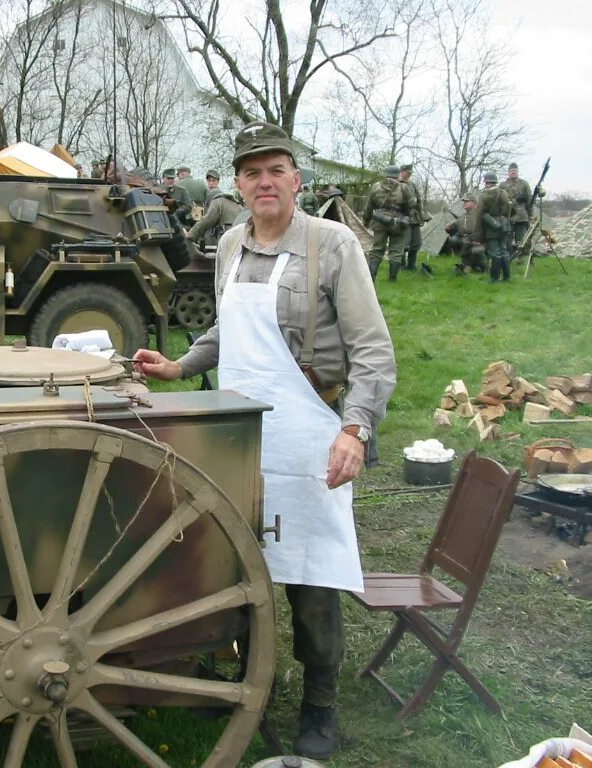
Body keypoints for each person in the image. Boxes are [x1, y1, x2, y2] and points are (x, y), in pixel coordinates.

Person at [132, 121, 395, 760]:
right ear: (240, 185)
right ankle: (250, 672)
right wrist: (179, 367)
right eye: (252, 173)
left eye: (275, 170)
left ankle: (320, 704)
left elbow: (373, 349)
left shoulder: (333, 247)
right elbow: (228, 329)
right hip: (240, 432)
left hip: (310, 429)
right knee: (237, 555)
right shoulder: (229, 244)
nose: (264, 182)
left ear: (295, 180)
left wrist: (355, 430)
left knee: (310, 572)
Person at [362, 165, 414, 281]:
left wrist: (366, 220)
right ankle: (392, 278)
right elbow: (411, 207)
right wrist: (407, 219)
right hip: (398, 222)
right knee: (396, 250)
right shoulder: (404, 188)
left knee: (377, 250)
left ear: (386, 173)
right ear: (398, 174)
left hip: (379, 221)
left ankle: (372, 277)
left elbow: (368, 207)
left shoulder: (376, 187)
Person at [473, 171, 513, 282]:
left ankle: (494, 279)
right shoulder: (504, 192)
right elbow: (512, 209)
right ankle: (506, 278)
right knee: (504, 251)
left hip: (492, 228)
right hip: (504, 225)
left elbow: (479, 216)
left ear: (487, 182)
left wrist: (477, 237)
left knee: (495, 253)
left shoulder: (485, 195)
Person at [398, 163, 431, 270]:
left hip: (414, 217)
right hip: (402, 217)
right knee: (403, 243)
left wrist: (421, 215)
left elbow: (419, 200)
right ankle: (400, 265)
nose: (409, 175)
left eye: (410, 173)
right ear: (402, 172)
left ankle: (411, 265)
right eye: (408, 173)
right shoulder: (396, 183)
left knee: (417, 243)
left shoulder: (412, 184)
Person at [444, 193, 485, 274]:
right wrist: (448, 227)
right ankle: (466, 264)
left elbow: (484, 230)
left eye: (467, 201)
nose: (464, 203)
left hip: (479, 240)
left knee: (476, 250)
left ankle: (479, 266)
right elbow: (453, 228)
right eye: (464, 201)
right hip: (465, 239)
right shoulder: (463, 216)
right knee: (453, 240)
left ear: (474, 203)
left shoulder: (480, 214)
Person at [500, 162, 531, 261]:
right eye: (512, 170)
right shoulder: (503, 185)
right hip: (508, 215)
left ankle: (520, 258)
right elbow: (499, 200)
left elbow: (529, 200)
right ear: (508, 172)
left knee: (520, 239)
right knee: (507, 239)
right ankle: (508, 257)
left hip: (521, 215)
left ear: (518, 172)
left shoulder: (524, 184)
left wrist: (530, 215)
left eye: (515, 171)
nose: (513, 172)